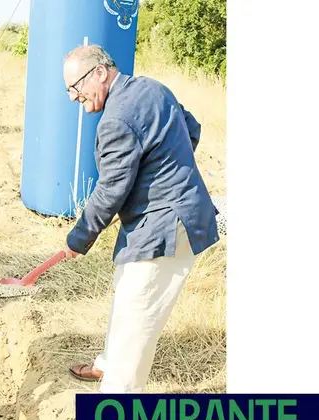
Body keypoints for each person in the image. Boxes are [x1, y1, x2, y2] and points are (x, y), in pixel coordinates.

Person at [60, 45, 219, 393]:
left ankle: (118, 417)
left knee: (139, 312)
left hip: (167, 223)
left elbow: (110, 190)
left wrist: (78, 239)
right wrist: (161, 172)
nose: (74, 97)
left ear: (100, 72)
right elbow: (191, 129)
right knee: (126, 288)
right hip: (160, 215)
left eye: (76, 87)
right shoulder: (151, 87)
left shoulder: (116, 119)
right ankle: (107, 364)